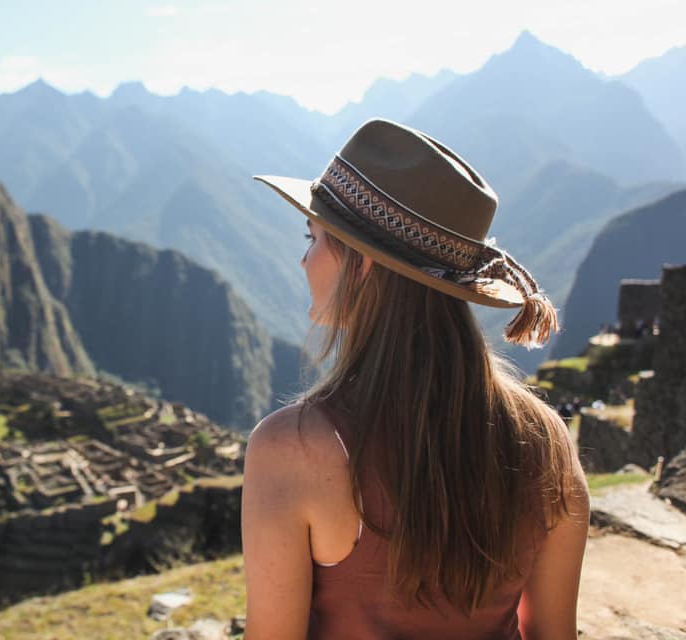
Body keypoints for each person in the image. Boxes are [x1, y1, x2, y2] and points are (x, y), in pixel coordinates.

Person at [242, 119, 589, 640]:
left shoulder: (292, 449)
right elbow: (553, 634)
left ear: (360, 266)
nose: (303, 258)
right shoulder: (545, 439)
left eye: (312, 238)